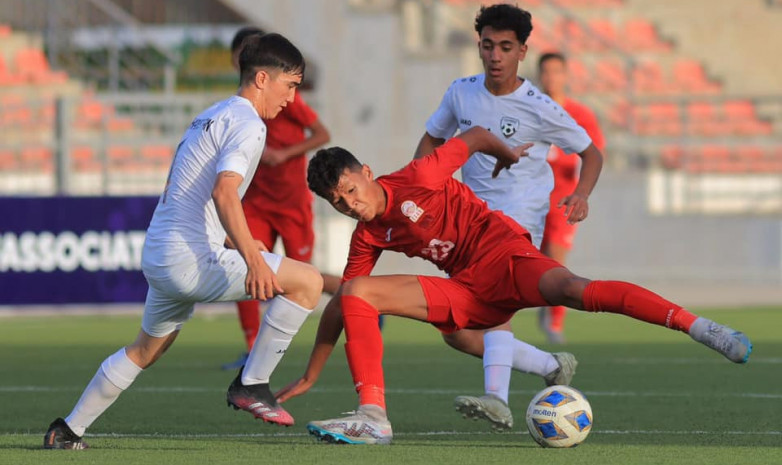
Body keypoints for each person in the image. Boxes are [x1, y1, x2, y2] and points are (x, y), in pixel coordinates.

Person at [275, 126, 751, 445]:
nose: (350, 205)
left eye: (351, 191)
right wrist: (313, 372)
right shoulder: (368, 237)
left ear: (366, 173)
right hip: (466, 283)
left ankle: (701, 327)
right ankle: (373, 416)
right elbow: (344, 309)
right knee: (403, 312)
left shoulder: (420, 176)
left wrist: (505, 154)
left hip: (502, 253)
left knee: (573, 289)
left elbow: (476, 136)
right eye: (338, 202)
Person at [43, 33, 322, 450]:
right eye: (290, 84)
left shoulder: (212, 114)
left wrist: (239, 243)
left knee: (144, 351)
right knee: (309, 283)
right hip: (189, 260)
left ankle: (67, 430)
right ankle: (253, 382)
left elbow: (199, 194)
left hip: (161, 254)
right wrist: (253, 258)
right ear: (263, 78)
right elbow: (224, 192)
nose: (291, 97)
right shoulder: (248, 123)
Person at [412, 4, 604, 428]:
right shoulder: (460, 92)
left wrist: (582, 194)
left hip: (518, 220)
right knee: (456, 331)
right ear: (478, 47)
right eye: (487, 46)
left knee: (494, 308)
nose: (495, 55)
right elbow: (432, 137)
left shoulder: (539, 105)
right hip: (467, 220)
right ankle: (550, 365)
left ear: (522, 51)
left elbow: (590, 152)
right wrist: (420, 186)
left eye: (505, 47)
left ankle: (496, 398)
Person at [222, 27, 339, 371]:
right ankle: (253, 350)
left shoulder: (283, 96)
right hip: (256, 201)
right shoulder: (240, 106)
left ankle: (354, 299)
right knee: (246, 265)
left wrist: (284, 154)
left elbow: (322, 134)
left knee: (304, 274)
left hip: (291, 203)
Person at [537, 51, 606, 344]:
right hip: (531, 194)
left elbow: (594, 152)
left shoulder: (581, 114)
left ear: (566, 75)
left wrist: (581, 191)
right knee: (529, 257)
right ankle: (535, 303)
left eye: (556, 71)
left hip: (564, 196)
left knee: (556, 257)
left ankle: (554, 322)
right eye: (546, 72)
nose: (551, 77)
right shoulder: (531, 107)